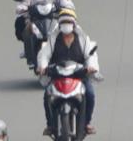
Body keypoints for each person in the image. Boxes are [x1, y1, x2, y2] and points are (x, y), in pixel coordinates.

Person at [37, 9, 99, 137]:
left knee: (90, 94)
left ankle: (86, 123)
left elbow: (90, 54)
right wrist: (43, 67)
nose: (66, 24)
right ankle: (50, 125)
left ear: (74, 23)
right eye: (63, 21)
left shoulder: (82, 38)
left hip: (79, 76)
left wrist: (91, 67)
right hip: (57, 75)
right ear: (59, 24)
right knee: (47, 95)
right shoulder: (53, 38)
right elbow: (45, 54)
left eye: (68, 21)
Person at [15, 0, 70, 66]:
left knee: (67, 28)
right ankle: (30, 58)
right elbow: (24, 2)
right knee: (27, 30)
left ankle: (69, 54)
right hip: (36, 18)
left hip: (53, 16)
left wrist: (66, 5)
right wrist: (22, 7)